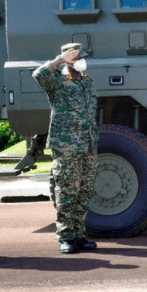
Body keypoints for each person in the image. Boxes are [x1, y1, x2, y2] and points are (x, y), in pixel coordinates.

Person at [33, 43, 99, 254]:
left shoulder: (86, 82)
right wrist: (59, 60)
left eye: (81, 57)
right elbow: (38, 74)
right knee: (66, 192)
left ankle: (79, 236)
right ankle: (65, 237)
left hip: (88, 145)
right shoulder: (57, 81)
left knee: (84, 192)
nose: (81, 61)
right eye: (77, 57)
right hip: (67, 145)